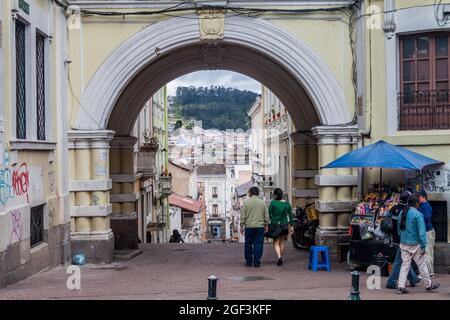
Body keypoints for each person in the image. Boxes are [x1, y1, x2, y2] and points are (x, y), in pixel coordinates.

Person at [397, 195, 440, 294]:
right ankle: (428, 285)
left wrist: (403, 238)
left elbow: (399, 230)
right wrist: (423, 245)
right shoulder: (418, 214)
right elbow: (421, 232)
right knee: (422, 265)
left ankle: (401, 286)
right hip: (415, 244)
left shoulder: (401, 213)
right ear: (416, 203)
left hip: (404, 243)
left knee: (405, 265)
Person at [385, 191, 419, 289]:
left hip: (394, 239)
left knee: (405, 260)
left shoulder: (393, 209)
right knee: (399, 262)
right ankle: (391, 282)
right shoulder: (406, 211)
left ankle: (413, 279)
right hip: (403, 240)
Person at [240, 187, 269, 268]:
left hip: (249, 226)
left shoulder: (246, 203)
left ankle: (248, 262)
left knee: (248, 244)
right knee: (258, 244)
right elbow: (266, 215)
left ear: (250, 193)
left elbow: (243, 215)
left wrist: (241, 225)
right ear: (258, 193)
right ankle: (257, 261)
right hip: (260, 226)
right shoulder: (262, 203)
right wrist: (266, 225)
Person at [268, 188, 294, 266]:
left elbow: (269, 213)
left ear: (275, 195)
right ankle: (280, 257)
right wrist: (292, 226)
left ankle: (279, 257)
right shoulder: (287, 204)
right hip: (284, 225)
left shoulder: (273, 203)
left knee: (276, 243)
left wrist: (273, 219)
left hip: (275, 225)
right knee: (282, 242)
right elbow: (290, 215)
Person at [416, 190, 435, 279]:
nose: (417, 198)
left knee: (427, 253)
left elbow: (426, 218)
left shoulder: (425, 206)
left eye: (418, 196)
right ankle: (426, 272)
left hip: (427, 232)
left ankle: (429, 273)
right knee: (424, 253)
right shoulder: (422, 206)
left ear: (423, 197)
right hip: (425, 232)